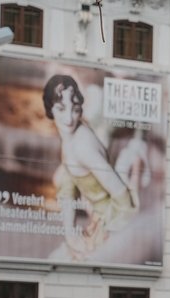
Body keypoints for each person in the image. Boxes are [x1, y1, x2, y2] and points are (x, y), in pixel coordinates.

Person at [42, 74, 140, 261]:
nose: (69, 119)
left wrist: (106, 236)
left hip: (110, 227)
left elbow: (123, 199)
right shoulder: (70, 139)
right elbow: (67, 189)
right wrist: (70, 234)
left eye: (76, 109)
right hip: (97, 224)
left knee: (57, 261)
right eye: (61, 109)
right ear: (50, 109)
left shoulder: (82, 146)